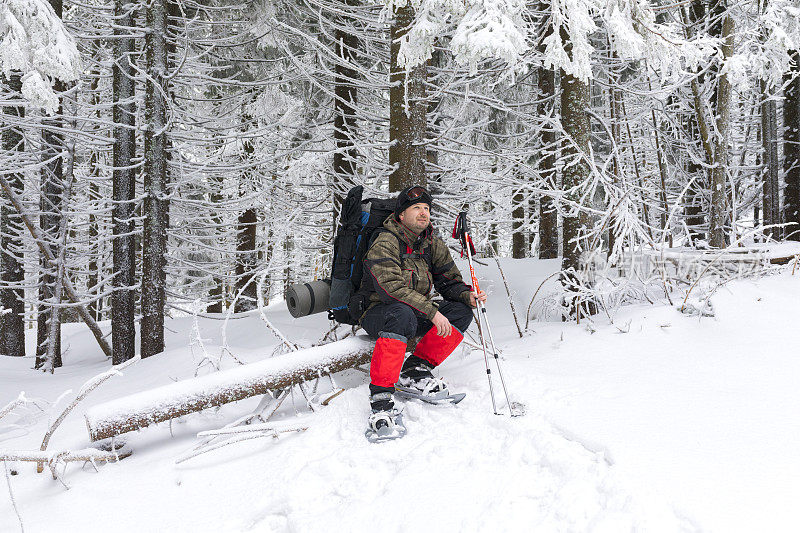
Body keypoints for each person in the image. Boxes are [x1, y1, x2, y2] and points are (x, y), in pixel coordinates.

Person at [359, 185, 487, 427]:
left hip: (413, 312)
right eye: (416, 208)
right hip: (379, 313)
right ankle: (381, 397)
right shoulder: (385, 242)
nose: (423, 213)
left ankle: (415, 370)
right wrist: (432, 311)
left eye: (426, 208)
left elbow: (449, 281)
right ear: (400, 215)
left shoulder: (432, 243)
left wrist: (466, 295)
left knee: (460, 312)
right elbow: (391, 290)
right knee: (401, 312)